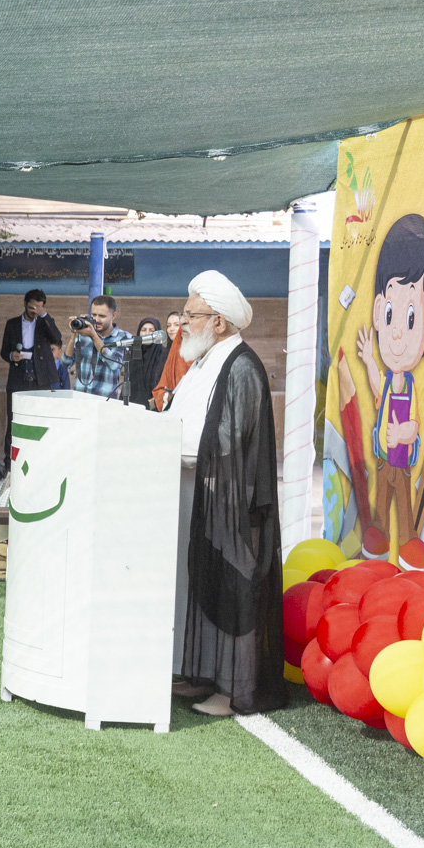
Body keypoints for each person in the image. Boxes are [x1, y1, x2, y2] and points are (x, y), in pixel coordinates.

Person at [167, 270, 285, 716]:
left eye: (191, 315)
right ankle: (202, 674)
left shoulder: (241, 367)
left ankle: (234, 691)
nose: (182, 323)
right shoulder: (203, 362)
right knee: (203, 587)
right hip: (198, 497)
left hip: (231, 506)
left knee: (231, 594)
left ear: (218, 322)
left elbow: (229, 439)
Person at [356, 214, 424, 552]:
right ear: (379, 311)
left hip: (402, 460)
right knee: (382, 497)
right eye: (390, 314)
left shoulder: (411, 386)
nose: (396, 334)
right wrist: (368, 361)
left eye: (410, 318)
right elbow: (378, 390)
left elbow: (415, 421)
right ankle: (379, 533)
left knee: (403, 500)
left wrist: (404, 433)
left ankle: (407, 538)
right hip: (383, 458)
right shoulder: (389, 380)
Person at [0, 289, 62, 459]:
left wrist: (44, 315)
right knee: (14, 421)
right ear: (25, 304)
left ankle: (40, 459)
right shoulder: (12, 324)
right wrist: (11, 356)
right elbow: (4, 351)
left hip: (40, 379)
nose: (34, 311)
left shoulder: (44, 322)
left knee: (41, 421)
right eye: (32, 307)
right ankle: (10, 464)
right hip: (19, 378)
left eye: (38, 308)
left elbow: (56, 337)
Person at [68, 295, 130, 399]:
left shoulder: (124, 337)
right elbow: (66, 363)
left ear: (113, 315)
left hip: (105, 401)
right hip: (80, 399)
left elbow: (115, 365)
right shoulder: (83, 334)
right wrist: (73, 336)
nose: (97, 319)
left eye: (102, 316)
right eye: (94, 315)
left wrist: (93, 336)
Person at [128, 317, 169, 408]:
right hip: (132, 405)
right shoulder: (133, 352)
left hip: (153, 407)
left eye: (151, 331)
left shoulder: (164, 354)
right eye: (143, 330)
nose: (147, 333)